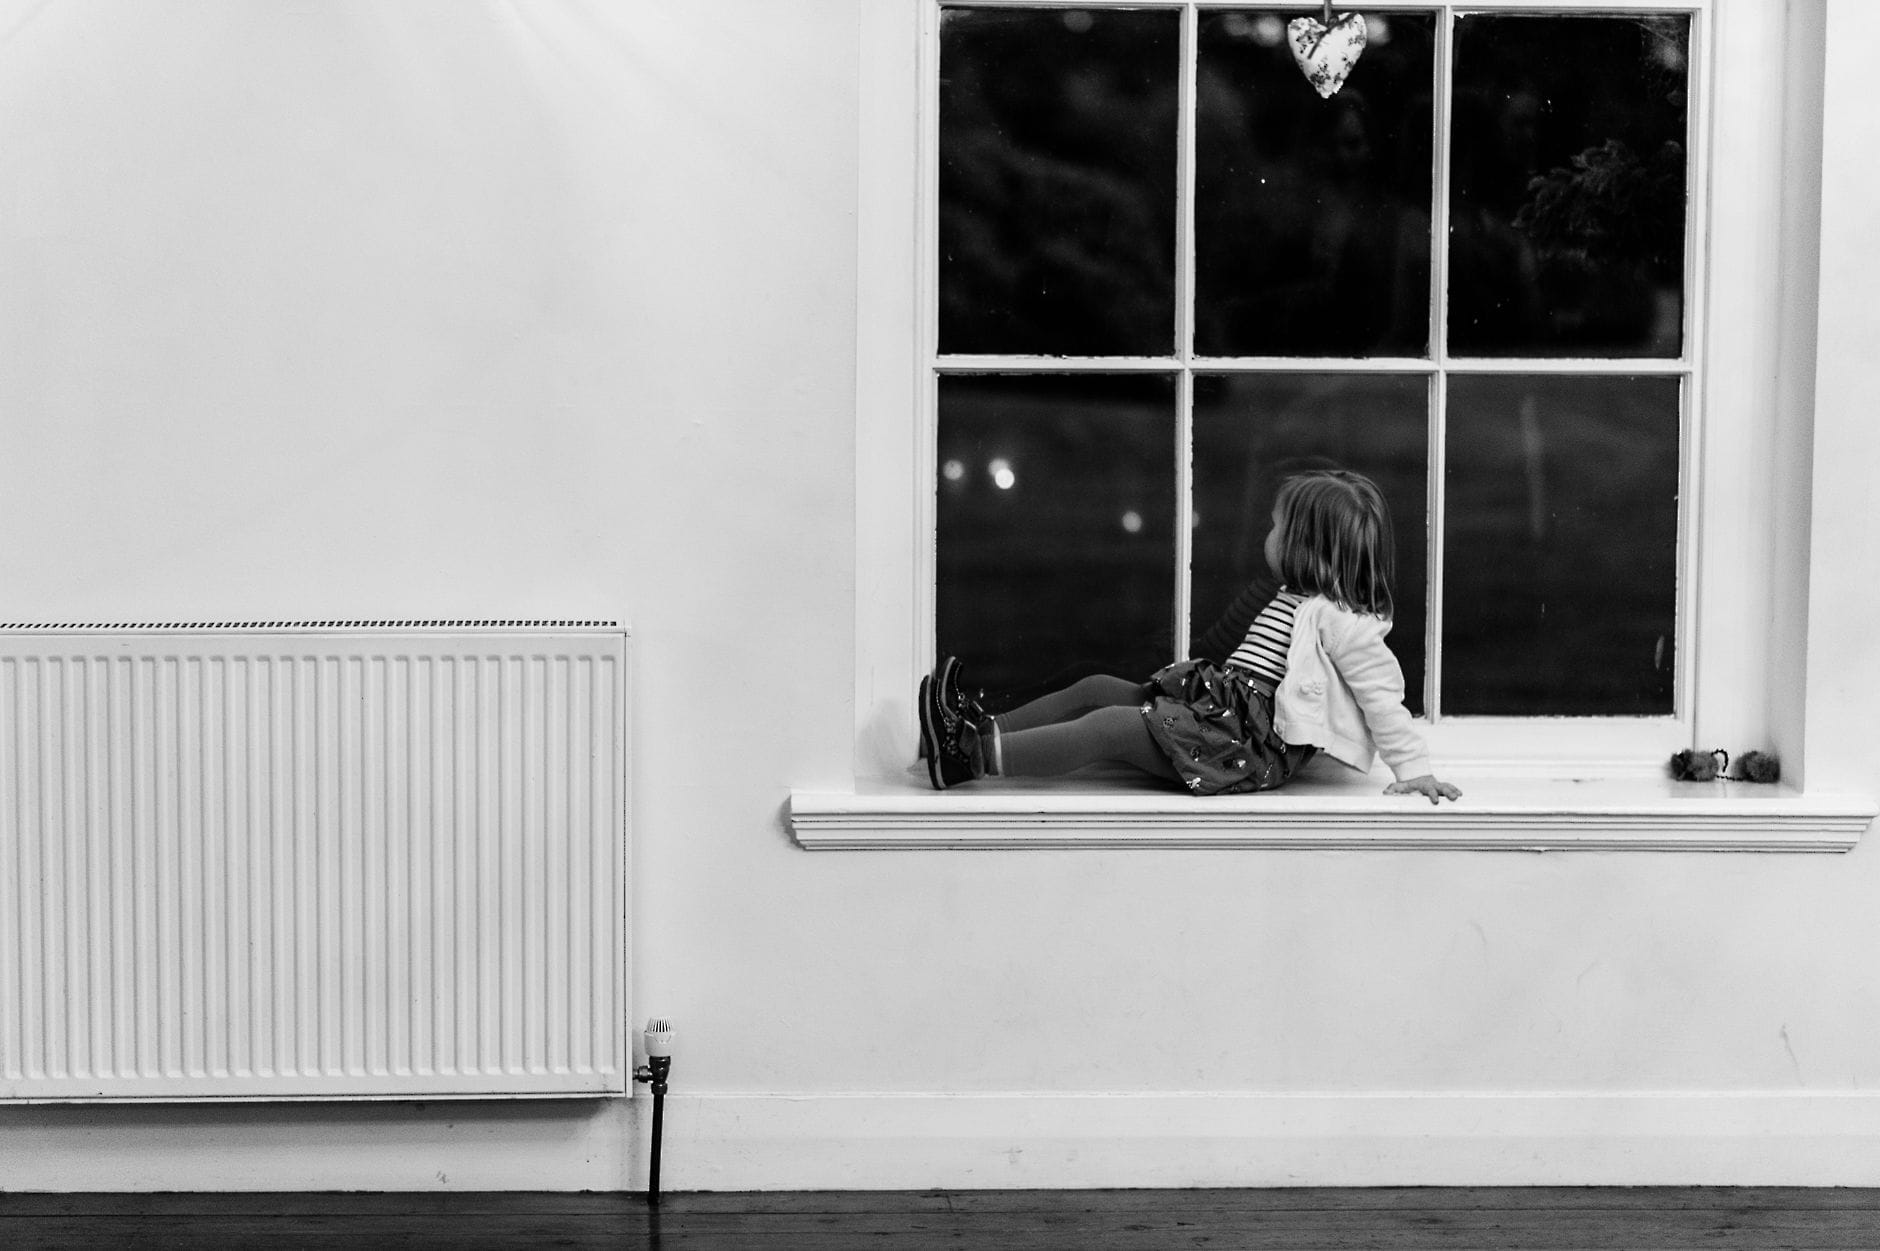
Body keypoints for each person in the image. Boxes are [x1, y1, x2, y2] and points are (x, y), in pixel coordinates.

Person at [918, 468, 1462, 804]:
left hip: (1241, 747)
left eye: (1276, 528)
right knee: (1097, 687)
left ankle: (972, 757)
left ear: (1306, 548)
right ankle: (977, 727)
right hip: (1219, 711)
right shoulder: (1288, 595)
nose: (1266, 536)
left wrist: (1414, 770)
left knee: (1109, 727)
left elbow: (1382, 698)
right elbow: (1226, 646)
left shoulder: (1342, 621)